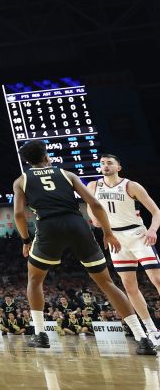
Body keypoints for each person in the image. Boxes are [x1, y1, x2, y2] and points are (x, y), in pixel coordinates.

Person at [11, 139, 155, 354]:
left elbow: (19, 214)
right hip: (77, 225)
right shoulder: (67, 175)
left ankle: (40, 334)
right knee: (107, 283)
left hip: (49, 227)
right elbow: (95, 204)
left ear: (26, 162)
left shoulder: (21, 180)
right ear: (47, 156)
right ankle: (143, 338)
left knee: (34, 280)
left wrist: (25, 240)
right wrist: (107, 232)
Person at [87, 154, 160, 344]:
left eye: (109, 163)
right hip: (115, 238)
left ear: (118, 167)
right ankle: (151, 330)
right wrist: (92, 217)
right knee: (129, 286)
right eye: (102, 163)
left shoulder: (131, 185)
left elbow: (156, 211)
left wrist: (152, 229)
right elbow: (89, 206)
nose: (105, 165)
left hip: (137, 235)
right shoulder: (93, 186)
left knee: (157, 279)